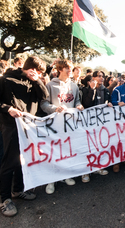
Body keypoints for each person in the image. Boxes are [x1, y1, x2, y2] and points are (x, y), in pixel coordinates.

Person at [0, 56, 49, 217]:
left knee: (23, 159)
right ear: (29, 68)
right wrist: (8, 108)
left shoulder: (33, 81)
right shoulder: (6, 80)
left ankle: (18, 190)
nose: (38, 74)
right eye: (36, 71)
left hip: (28, 127)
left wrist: (37, 81)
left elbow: (44, 96)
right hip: (11, 126)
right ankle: (5, 199)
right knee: (10, 161)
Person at [40, 60, 84, 195]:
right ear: (60, 69)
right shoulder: (49, 85)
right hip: (54, 124)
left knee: (67, 149)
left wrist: (79, 105)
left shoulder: (74, 86)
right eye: (67, 68)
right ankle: (51, 180)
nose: (70, 71)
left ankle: (65, 175)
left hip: (70, 124)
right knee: (54, 150)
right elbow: (43, 104)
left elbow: (76, 100)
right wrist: (54, 109)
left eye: (70, 68)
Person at [81, 70, 112, 183]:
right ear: (93, 78)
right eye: (99, 76)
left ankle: (98, 167)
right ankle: (85, 172)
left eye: (102, 76)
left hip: (101, 123)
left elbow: (108, 101)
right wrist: (92, 90)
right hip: (89, 123)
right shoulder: (85, 89)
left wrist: (109, 104)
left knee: (99, 145)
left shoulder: (106, 90)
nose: (101, 78)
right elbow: (87, 104)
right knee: (88, 147)